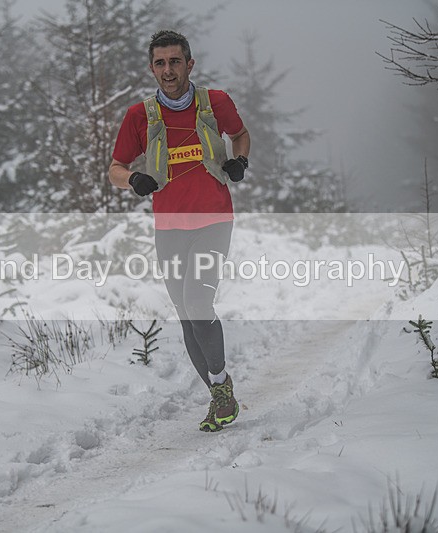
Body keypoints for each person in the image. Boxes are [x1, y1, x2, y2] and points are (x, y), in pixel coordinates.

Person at [109, 30, 251, 432]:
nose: (168, 70)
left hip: (213, 220)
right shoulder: (140, 116)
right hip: (168, 226)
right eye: (160, 63)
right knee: (186, 314)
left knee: (198, 303)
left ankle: (221, 387)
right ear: (151, 68)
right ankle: (220, 397)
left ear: (190, 63)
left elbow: (240, 135)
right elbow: (115, 168)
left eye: (175, 61)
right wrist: (133, 180)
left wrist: (240, 160)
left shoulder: (215, 103)